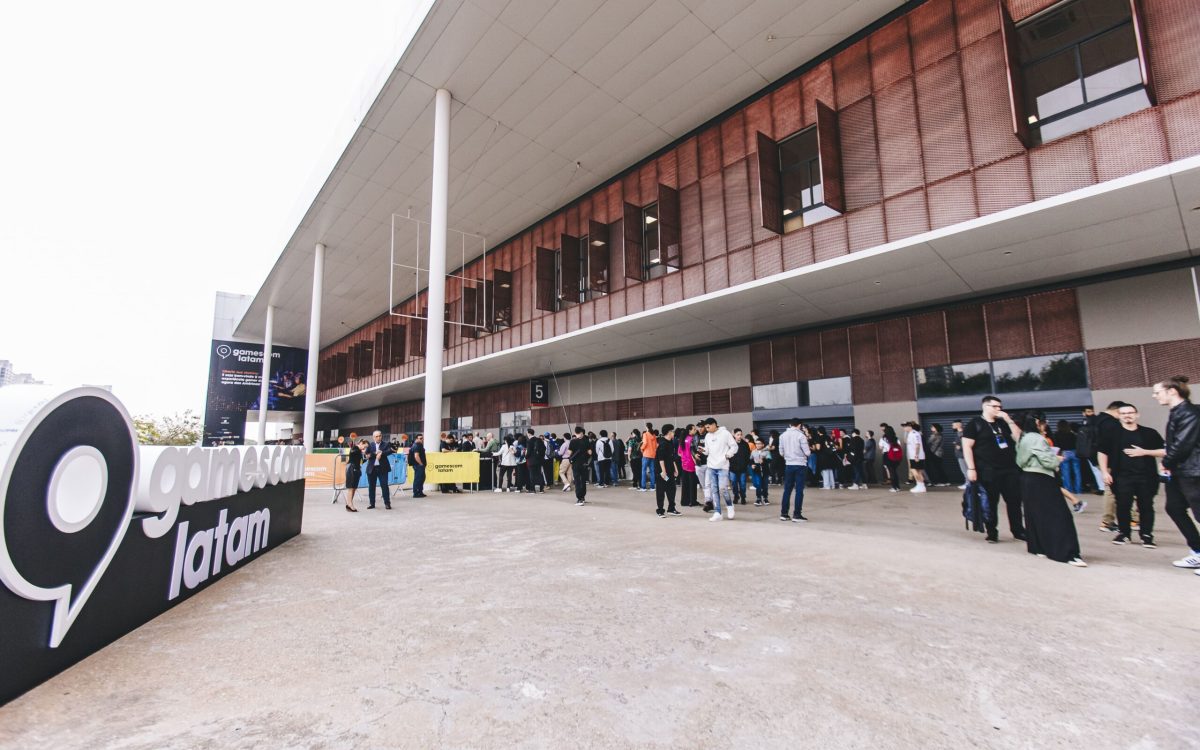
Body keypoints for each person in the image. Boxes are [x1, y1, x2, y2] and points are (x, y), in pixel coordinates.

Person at [1139, 376, 1200, 573]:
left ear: (1172, 391)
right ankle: (1198, 551)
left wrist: (1165, 462)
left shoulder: (1190, 413)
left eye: (1157, 392)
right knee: (1174, 508)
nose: (1154, 395)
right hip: (1180, 470)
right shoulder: (1176, 412)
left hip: (1192, 471)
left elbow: (1182, 445)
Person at [1016, 413, 1086, 567]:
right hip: (1042, 477)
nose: (1046, 425)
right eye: (1044, 422)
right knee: (1059, 516)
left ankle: (1038, 547)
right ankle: (1067, 553)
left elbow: (1019, 461)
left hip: (1027, 478)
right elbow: (1047, 461)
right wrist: (1057, 460)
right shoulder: (1037, 438)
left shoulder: (1023, 437)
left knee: (1035, 514)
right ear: (1037, 422)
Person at [962, 395, 1026, 543]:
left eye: (1000, 407)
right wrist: (971, 468)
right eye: (995, 406)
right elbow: (967, 447)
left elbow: (1018, 437)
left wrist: (1009, 420)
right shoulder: (974, 424)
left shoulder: (1002, 423)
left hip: (1009, 468)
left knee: (1014, 501)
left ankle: (1018, 530)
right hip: (988, 470)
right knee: (991, 502)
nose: (999, 409)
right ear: (985, 406)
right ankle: (992, 531)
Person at [1098, 403, 1162, 548]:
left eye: (1130, 412)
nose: (1127, 415)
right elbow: (1102, 452)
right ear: (1119, 416)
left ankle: (1146, 535)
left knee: (1146, 506)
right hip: (1121, 476)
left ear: (1137, 415)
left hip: (1146, 476)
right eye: (1123, 413)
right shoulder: (1112, 433)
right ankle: (1124, 534)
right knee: (1122, 506)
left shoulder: (1149, 433)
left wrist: (1145, 452)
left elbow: (1164, 451)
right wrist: (1104, 472)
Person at [1090, 402, 1126, 532]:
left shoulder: (1096, 420)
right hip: (1110, 461)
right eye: (1122, 413)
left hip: (1099, 460)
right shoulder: (1111, 424)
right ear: (1116, 411)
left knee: (1110, 489)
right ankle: (1108, 521)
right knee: (1111, 490)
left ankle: (1109, 521)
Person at [702, 417, 737, 521]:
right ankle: (718, 512)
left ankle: (730, 506)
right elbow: (707, 451)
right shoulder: (708, 436)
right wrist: (702, 451)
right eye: (706, 427)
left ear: (714, 425)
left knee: (723, 488)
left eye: (708, 427)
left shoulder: (725, 433)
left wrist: (728, 455)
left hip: (723, 466)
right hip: (711, 466)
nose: (707, 429)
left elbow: (734, 446)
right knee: (714, 490)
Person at [778, 418, 810, 522]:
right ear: (799, 425)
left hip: (788, 465)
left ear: (790, 424)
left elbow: (781, 452)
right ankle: (797, 515)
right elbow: (808, 452)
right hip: (800, 464)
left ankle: (784, 514)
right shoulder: (801, 436)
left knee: (787, 490)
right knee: (799, 490)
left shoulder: (782, 436)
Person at [655, 424, 681, 517]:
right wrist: (663, 471)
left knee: (672, 489)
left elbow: (672, 457)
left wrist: (675, 469)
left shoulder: (671, 442)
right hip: (662, 472)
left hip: (670, 471)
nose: (673, 433)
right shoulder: (662, 443)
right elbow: (660, 459)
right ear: (669, 432)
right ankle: (660, 510)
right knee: (661, 491)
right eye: (672, 431)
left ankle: (671, 509)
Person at [364, 430, 394, 509]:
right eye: (376, 436)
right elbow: (366, 455)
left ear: (381, 436)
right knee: (371, 487)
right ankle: (372, 504)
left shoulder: (386, 444)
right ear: (373, 437)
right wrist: (375, 453)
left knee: (384, 486)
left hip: (383, 469)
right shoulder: (370, 445)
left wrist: (381, 453)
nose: (378, 438)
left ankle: (387, 503)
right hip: (372, 469)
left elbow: (390, 451)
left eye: (380, 436)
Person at [1054, 420, 1081, 495]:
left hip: (1064, 453)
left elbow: (1057, 445)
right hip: (1074, 452)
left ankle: (1069, 490)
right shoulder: (1072, 434)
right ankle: (1078, 490)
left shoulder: (1056, 434)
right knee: (1077, 472)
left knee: (1066, 473)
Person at [567, 426, 591, 505]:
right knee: (583, 481)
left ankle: (579, 498)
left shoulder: (572, 441)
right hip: (584, 463)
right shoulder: (587, 441)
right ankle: (583, 497)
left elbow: (569, 453)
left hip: (576, 464)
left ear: (575, 433)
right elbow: (590, 453)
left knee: (577, 481)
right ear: (582, 433)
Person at [904, 422, 927, 493]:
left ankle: (920, 485)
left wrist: (916, 455)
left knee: (914, 470)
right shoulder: (910, 434)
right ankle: (920, 486)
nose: (904, 428)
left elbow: (917, 444)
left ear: (910, 426)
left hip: (916, 456)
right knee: (918, 471)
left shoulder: (915, 434)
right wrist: (905, 433)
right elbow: (906, 442)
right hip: (913, 456)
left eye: (905, 426)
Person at [679, 424, 699, 506]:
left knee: (685, 484)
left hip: (684, 464)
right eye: (694, 429)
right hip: (692, 464)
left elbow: (679, 453)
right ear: (689, 431)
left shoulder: (682, 440)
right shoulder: (692, 439)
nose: (695, 430)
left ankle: (684, 501)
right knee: (693, 484)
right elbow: (694, 452)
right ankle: (692, 501)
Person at [729, 428, 751, 504]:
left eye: (741, 434)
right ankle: (736, 496)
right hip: (732, 468)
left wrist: (746, 465)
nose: (739, 436)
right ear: (734, 435)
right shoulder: (731, 445)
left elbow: (748, 455)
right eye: (738, 435)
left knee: (742, 484)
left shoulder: (745, 444)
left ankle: (743, 497)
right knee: (734, 484)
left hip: (743, 469)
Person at [343, 438, 365, 512]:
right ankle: (350, 504)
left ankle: (349, 504)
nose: (365, 448)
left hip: (357, 470)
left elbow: (361, 461)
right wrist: (361, 450)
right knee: (351, 488)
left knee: (354, 488)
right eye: (364, 446)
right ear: (361, 443)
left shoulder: (360, 452)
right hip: (351, 469)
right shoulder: (355, 448)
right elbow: (353, 452)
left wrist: (367, 457)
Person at [879, 425, 902, 493]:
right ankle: (897, 487)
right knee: (894, 471)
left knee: (891, 471)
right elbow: (899, 445)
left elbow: (880, 447)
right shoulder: (896, 438)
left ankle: (894, 487)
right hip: (896, 455)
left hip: (887, 455)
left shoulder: (883, 438)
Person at [524, 428, 546, 493]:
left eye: (527, 433)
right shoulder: (539, 439)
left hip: (532, 460)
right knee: (539, 474)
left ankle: (532, 489)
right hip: (539, 460)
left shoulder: (529, 441)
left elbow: (528, 452)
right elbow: (544, 448)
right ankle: (541, 489)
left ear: (529, 433)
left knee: (532, 475)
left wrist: (526, 456)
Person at [750, 438, 770, 505]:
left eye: (759, 443)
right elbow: (751, 460)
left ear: (763, 444)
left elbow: (770, 460)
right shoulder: (753, 451)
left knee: (765, 485)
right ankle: (758, 498)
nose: (757, 445)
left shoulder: (767, 451)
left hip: (765, 470)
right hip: (756, 469)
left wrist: (764, 461)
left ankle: (765, 498)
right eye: (756, 444)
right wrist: (752, 464)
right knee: (758, 484)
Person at [409, 434, 427, 498]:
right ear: (416, 439)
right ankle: (416, 493)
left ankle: (420, 491)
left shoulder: (419, 445)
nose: (422, 439)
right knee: (418, 479)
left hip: (419, 465)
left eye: (422, 438)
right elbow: (416, 456)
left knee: (422, 478)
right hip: (418, 465)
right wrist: (421, 463)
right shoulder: (416, 445)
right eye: (420, 438)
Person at [952, 420, 969, 489]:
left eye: (953, 425)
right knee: (964, 470)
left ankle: (968, 483)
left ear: (958, 425)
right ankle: (967, 482)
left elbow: (965, 443)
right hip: (960, 454)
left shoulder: (961, 433)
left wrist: (959, 447)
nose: (952, 426)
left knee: (965, 470)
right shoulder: (959, 433)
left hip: (962, 455)